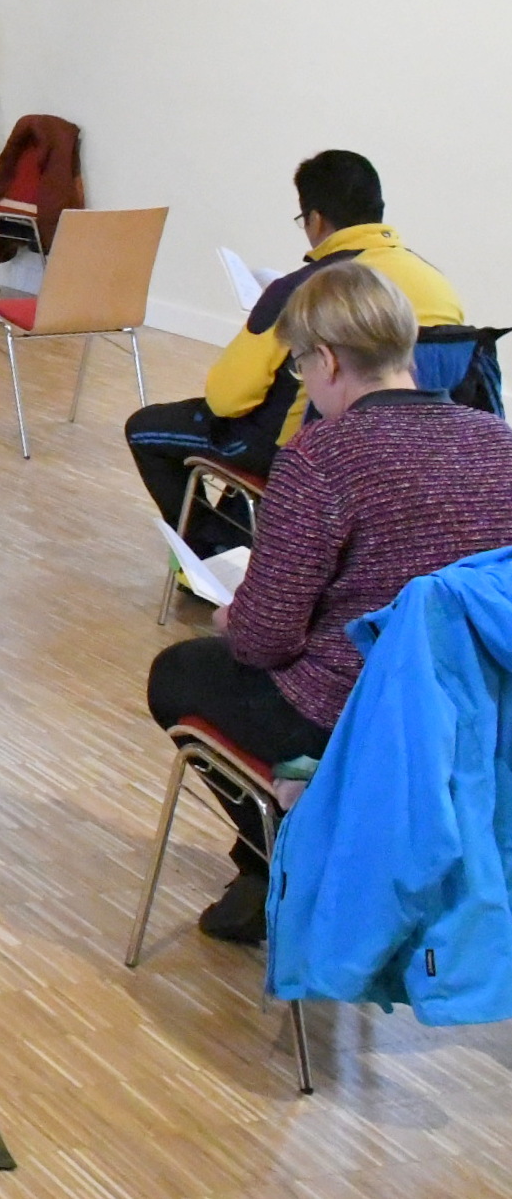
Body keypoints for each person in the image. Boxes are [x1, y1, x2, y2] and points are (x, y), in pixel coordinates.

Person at [144, 261, 512, 945]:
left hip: (350, 716)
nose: (301, 384)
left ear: (330, 361)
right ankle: (285, 859)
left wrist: (233, 614)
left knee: (178, 672)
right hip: (473, 715)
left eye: (298, 368)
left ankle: (280, 858)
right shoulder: (501, 444)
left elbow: (264, 641)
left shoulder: (323, 457)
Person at [127, 150, 465, 555]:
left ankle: (215, 558)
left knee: (146, 427)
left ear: (315, 219)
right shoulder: (436, 283)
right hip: (415, 446)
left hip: (309, 449)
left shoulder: (306, 288)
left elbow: (228, 399)